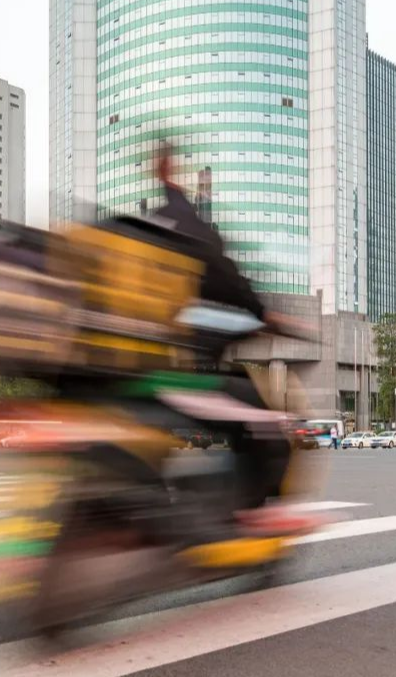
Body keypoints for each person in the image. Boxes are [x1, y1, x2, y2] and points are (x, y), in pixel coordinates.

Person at [147, 147, 320, 535]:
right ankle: (254, 512)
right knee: (269, 424)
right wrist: (264, 315)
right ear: (173, 172)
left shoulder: (148, 227)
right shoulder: (194, 232)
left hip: (134, 374)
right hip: (190, 379)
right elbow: (232, 283)